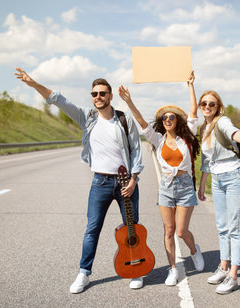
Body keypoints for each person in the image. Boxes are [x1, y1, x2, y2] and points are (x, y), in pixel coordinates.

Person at [14, 68, 145, 292]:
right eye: (94, 94)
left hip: (126, 183)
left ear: (110, 96)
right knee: (92, 229)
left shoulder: (124, 120)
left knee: (131, 229)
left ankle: (136, 270)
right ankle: (84, 273)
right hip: (100, 183)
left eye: (102, 93)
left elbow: (136, 150)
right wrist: (34, 84)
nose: (98, 97)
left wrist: (134, 179)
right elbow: (59, 100)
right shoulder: (87, 117)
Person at [118, 71, 205, 286]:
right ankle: (173, 269)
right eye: (164, 117)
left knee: (182, 231)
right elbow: (140, 122)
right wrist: (129, 101)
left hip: (185, 186)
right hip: (166, 186)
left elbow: (194, 112)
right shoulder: (157, 139)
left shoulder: (188, 136)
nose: (167, 119)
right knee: (169, 230)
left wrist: (191, 86)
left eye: (171, 117)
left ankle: (194, 251)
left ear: (177, 120)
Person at [195, 85, 240, 294]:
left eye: (211, 104)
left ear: (218, 107)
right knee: (222, 226)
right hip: (217, 180)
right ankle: (223, 267)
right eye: (204, 103)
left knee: (235, 227)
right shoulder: (203, 129)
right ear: (200, 106)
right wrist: (203, 183)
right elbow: (206, 160)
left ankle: (233, 275)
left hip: (234, 177)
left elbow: (234, 132)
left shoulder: (221, 121)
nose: (207, 106)